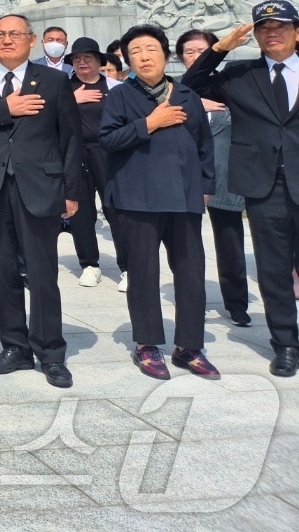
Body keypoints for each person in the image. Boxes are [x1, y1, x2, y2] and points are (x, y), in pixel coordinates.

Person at [0, 13, 83, 389]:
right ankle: (15, 346)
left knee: (42, 273)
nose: (7, 40)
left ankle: (51, 352)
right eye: (0, 35)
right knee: (2, 273)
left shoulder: (56, 81)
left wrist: (71, 192)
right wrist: (4, 109)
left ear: (32, 39)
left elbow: (70, 139)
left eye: (15, 34)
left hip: (39, 186)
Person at [180, 0, 299, 377]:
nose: (272, 33)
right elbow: (191, 84)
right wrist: (220, 48)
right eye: (264, 28)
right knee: (274, 267)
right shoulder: (239, 73)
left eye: (280, 26)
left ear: (297, 31)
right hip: (264, 186)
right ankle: (286, 344)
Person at [100, 25, 219, 380]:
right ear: (127, 59)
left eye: (151, 48)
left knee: (191, 273)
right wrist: (150, 122)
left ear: (165, 55)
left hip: (184, 197)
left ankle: (189, 346)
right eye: (134, 51)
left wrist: (206, 185)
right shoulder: (119, 97)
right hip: (137, 198)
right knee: (144, 274)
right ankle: (147, 344)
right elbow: (107, 140)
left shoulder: (187, 95)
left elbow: (204, 145)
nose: (144, 56)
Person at [176, 29, 250, 326]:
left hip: (223, 176)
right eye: (189, 52)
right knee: (186, 244)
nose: (195, 57)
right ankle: (193, 299)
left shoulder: (230, 85)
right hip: (183, 177)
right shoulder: (173, 89)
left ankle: (236, 303)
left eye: (201, 51)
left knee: (230, 241)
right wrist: (195, 105)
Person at [64, 37, 124, 289]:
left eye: (87, 58)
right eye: (77, 59)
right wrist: (70, 101)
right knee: (80, 211)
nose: (82, 62)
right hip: (74, 154)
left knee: (117, 210)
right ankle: (89, 264)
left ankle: (128, 267)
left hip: (107, 153)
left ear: (100, 61)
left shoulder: (116, 87)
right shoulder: (63, 88)